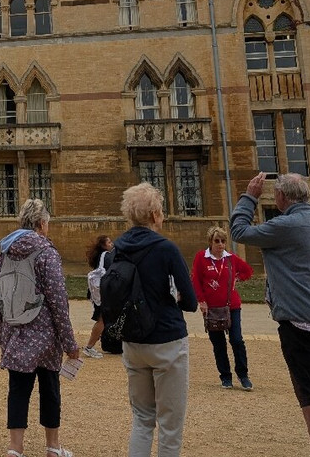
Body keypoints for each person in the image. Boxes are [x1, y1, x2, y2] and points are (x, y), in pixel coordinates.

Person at [230, 171, 310, 457]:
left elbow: (239, 231)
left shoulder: (283, 226)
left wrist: (249, 196)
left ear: (281, 197)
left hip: (300, 324)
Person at [112, 182, 197, 457]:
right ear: (154, 214)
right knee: (170, 425)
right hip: (167, 341)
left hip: (133, 342)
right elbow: (192, 302)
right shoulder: (166, 249)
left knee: (142, 419)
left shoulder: (118, 248)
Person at [0, 198, 78, 457]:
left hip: (15, 331)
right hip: (44, 333)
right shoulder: (46, 252)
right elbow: (58, 300)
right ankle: (53, 447)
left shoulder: (5, 251)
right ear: (42, 224)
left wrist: (2, 334)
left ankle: (15, 448)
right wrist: (70, 343)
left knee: (18, 389)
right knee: (49, 388)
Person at [191, 225, 254, 390]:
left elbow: (248, 270)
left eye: (223, 241)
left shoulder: (230, 258)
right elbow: (196, 280)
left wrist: (238, 278)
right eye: (217, 241)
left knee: (237, 340)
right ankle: (225, 376)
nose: (220, 244)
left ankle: (243, 374)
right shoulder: (201, 258)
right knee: (218, 344)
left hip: (231, 306)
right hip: (212, 308)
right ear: (210, 242)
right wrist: (201, 301)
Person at [82, 234, 114, 358]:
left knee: (103, 319)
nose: (112, 244)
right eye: (109, 242)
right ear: (103, 246)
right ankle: (89, 347)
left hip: (99, 292)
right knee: (102, 319)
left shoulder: (102, 256)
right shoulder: (105, 255)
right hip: (102, 292)